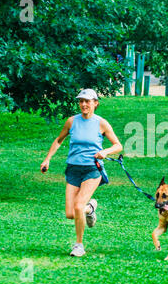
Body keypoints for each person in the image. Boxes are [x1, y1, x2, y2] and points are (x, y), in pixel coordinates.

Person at [40, 88, 123, 257]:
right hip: (73, 169)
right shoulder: (72, 121)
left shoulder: (101, 123)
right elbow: (58, 140)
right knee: (71, 213)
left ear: (95, 103)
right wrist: (47, 159)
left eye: (87, 101)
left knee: (78, 206)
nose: (84, 104)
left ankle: (79, 245)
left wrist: (105, 152)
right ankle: (90, 208)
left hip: (92, 169)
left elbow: (118, 145)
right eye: (81, 101)